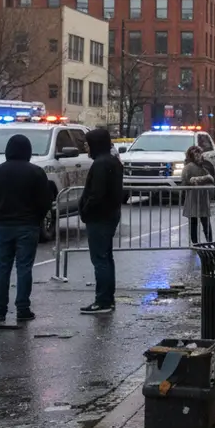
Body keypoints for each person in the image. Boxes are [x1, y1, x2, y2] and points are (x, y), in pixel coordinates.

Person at [0, 134, 53, 323]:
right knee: (24, 268)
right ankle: (23, 309)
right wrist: (36, 218)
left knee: (2, 268)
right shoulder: (36, 172)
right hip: (28, 225)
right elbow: (45, 201)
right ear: (28, 151)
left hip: (4, 225)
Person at [79, 128, 124, 314]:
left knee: (100, 259)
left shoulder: (100, 164)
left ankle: (103, 300)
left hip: (99, 217)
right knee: (106, 257)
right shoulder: (113, 161)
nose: (86, 147)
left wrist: (86, 210)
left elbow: (96, 194)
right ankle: (107, 298)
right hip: (110, 214)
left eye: (88, 144)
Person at [181, 145, 215, 243]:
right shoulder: (189, 167)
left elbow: (211, 179)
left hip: (201, 197)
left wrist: (199, 179)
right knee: (195, 221)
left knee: (204, 221)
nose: (198, 156)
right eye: (196, 154)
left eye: (199, 154)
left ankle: (207, 242)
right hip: (193, 197)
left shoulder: (204, 166)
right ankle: (197, 242)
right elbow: (185, 182)